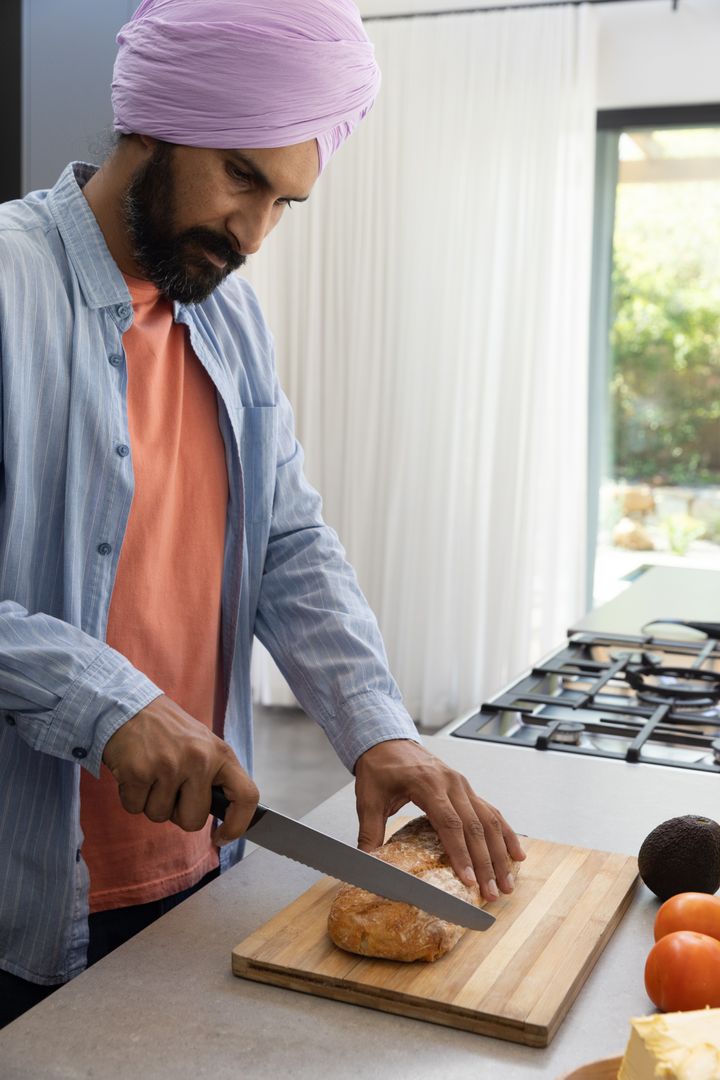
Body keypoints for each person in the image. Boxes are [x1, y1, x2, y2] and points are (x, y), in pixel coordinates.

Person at [0, 0, 525, 1027]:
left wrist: (379, 733)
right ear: (151, 120)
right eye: (243, 177)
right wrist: (104, 699)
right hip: (27, 909)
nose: (253, 234)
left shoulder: (227, 309)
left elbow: (288, 541)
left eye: (286, 202)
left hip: (206, 870)